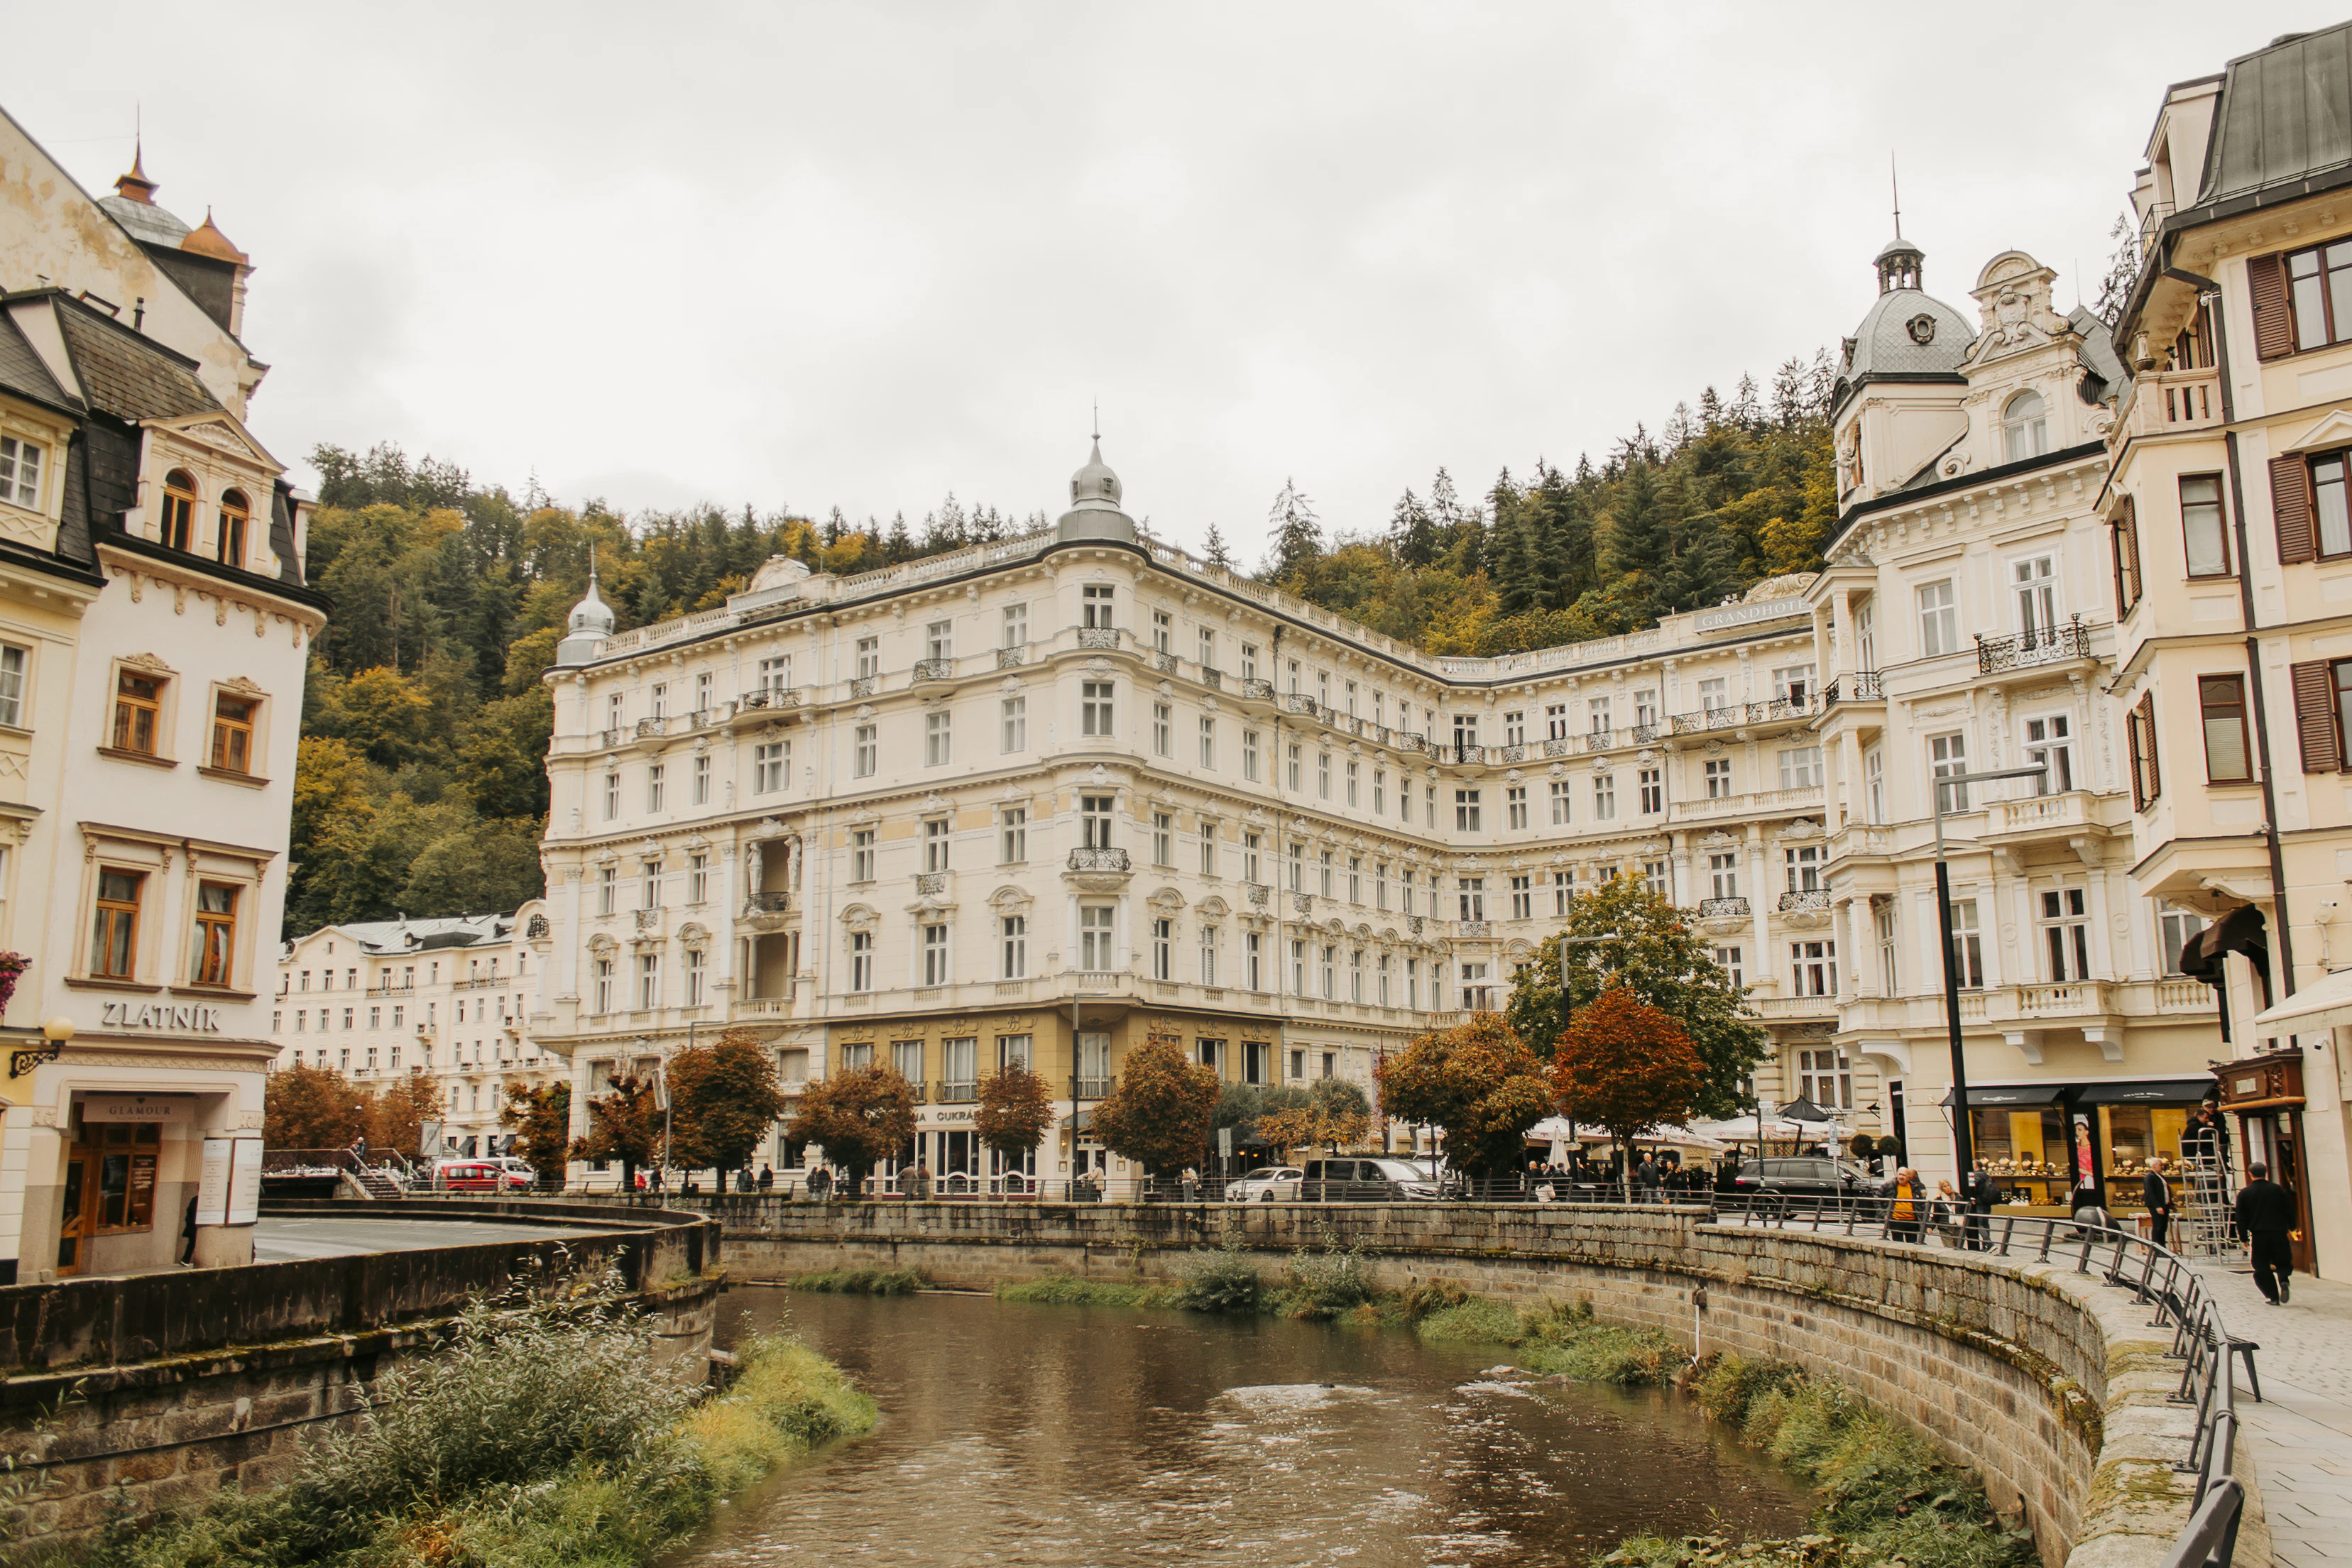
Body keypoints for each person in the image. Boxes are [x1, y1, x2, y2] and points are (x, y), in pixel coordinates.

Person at [2233, 1161, 2298, 1305]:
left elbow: (2240, 1217)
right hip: (2279, 1232)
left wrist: (2243, 1237)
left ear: (2250, 1174)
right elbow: (2289, 1209)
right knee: (2283, 1260)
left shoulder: (2245, 1193)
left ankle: (2273, 1297)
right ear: (2266, 1173)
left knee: (2261, 1266)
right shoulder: (2277, 1190)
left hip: (2259, 1235)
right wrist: (2292, 1226)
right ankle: (2283, 1280)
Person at [1960, 1161, 1998, 1252]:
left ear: (1975, 1166)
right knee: (1985, 1223)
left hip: (1979, 1202)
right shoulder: (1986, 1175)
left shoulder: (1974, 1175)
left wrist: (1971, 1198)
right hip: (1987, 1202)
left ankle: (1989, 1244)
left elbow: (1972, 1188)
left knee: (1979, 1224)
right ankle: (1985, 1246)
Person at [1883, 1168, 1925, 1244]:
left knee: (1912, 1245)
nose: (1901, 1177)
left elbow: (1922, 1204)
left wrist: (1922, 1217)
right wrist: (1883, 1214)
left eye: (1904, 1175)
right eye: (1900, 1175)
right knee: (1898, 1244)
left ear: (1909, 1178)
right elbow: (1878, 1198)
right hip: (1896, 1220)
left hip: (1912, 1221)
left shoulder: (1915, 1187)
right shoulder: (1889, 1185)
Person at [2142, 1156, 2174, 1250]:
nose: (2162, 1167)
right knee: (2158, 1226)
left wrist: (2171, 1203)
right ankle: (2156, 1249)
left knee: (2163, 1227)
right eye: (2161, 1165)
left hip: (2165, 1204)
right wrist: (2157, 1206)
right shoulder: (2149, 1177)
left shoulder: (2161, 1176)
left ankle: (2163, 1247)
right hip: (2157, 1206)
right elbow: (2150, 1193)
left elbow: (2166, 1190)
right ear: (2155, 1165)